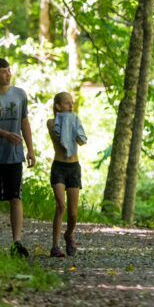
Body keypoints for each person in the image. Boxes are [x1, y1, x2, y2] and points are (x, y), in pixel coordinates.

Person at [0, 58, 35, 257]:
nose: (8, 74)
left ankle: (17, 242)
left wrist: (31, 149)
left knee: (15, 197)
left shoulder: (20, 94)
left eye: (9, 70)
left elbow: (25, 122)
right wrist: (6, 135)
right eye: (3, 71)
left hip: (14, 156)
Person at [47, 92, 87, 257]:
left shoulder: (75, 121)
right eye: (66, 103)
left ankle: (69, 234)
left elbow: (80, 141)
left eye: (72, 103)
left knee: (73, 212)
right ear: (58, 106)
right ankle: (55, 246)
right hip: (59, 167)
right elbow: (60, 140)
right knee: (60, 206)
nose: (71, 106)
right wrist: (68, 124)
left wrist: (76, 130)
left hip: (73, 168)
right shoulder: (52, 122)